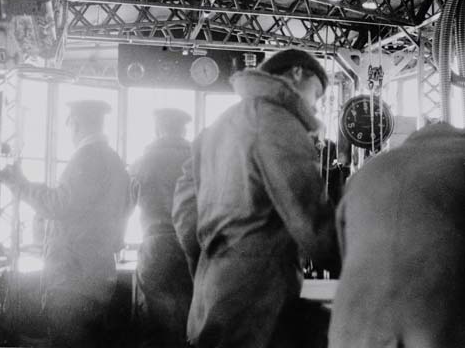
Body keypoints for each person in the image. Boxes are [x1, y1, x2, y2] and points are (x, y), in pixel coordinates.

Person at [172, 49, 338, 348]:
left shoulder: (218, 126)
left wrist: (209, 263)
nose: (315, 105)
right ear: (298, 74)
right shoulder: (278, 122)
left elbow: (185, 214)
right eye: (317, 93)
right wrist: (361, 261)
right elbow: (312, 223)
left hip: (212, 294)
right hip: (260, 303)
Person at [0, 100, 130, 348]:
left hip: (73, 279)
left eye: (68, 124)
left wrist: (19, 184)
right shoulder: (114, 161)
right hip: (97, 277)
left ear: (76, 124)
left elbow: (59, 205)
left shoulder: (87, 156)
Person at [329, 122, 465, 348]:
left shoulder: (369, 171)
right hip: (433, 326)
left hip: (355, 327)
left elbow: (343, 250)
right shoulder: (458, 163)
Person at [129, 108, 193, 348]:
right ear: (184, 130)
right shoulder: (198, 160)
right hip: (191, 246)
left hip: (156, 245)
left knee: (155, 322)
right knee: (189, 321)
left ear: (157, 130)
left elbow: (126, 203)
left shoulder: (142, 162)